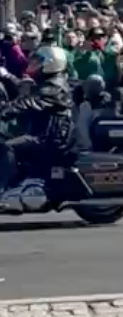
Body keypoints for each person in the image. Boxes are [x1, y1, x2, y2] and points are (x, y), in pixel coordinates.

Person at [0, 44, 74, 209]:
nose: (33, 63)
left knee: (6, 147)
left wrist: (6, 110)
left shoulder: (55, 86)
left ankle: (3, 189)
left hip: (48, 138)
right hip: (43, 133)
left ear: (51, 63)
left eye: (39, 60)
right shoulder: (46, 82)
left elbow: (29, 102)